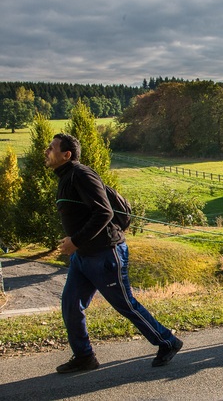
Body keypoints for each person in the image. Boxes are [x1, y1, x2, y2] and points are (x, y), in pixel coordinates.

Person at [45, 133, 183, 373]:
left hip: (105, 254)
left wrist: (75, 241)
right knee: (70, 304)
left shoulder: (81, 174)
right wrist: (77, 245)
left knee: (125, 304)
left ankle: (168, 342)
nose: (46, 151)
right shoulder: (66, 177)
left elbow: (104, 213)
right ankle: (84, 356)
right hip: (84, 257)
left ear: (66, 155)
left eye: (51, 148)